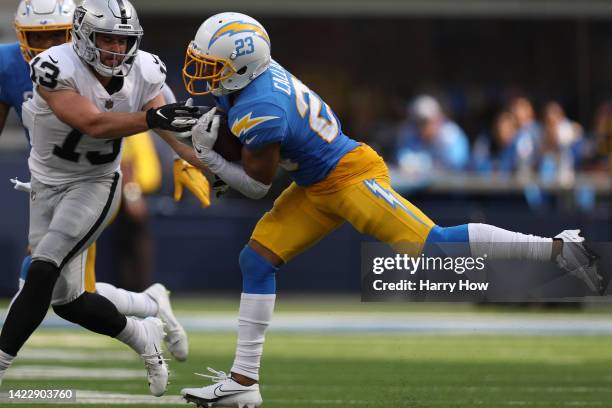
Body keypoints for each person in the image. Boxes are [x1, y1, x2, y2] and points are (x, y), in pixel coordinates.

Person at [178, 13, 602, 407]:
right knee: (255, 258)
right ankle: (244, 384)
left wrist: (208, 157)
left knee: (434, 245)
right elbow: (234, 122)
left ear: (244, 65)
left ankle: (559, 249)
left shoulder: (262, 106)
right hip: (314, 182)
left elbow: (255, 186)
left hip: (348, 176)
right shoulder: (256, 84)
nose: (205, 74)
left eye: (213, 65)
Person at [0, 0, 206, 396]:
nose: (114, 48)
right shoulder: (51, 66)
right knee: (69, 301)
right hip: (44, 184)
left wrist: (204, 164)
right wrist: (151, 119)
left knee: (40, 270)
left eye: (122, 40)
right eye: (106, 38)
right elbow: (92, 124)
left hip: (94, 183)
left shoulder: (146, 68)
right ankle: (144, 330)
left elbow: (171, 125)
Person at [395, 94, 469, 172]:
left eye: (425, 122)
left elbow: (458, 164)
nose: (421, 126)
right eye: (417, 122)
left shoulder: (451, 136)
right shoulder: (410, 133)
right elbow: (401, 158)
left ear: (438, 118)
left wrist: (423, 164)